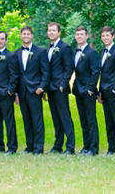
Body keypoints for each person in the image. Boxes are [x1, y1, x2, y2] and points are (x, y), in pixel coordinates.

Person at [9, 26, 49, 154]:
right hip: (21, 92)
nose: (26, 36)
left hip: (35, 91)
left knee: (37, 120)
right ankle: (29, 146)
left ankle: (38, 148)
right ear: (20, 35)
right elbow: (14, 75)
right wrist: (15, 93)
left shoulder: (40, 52)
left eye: (28, 34)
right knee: (26, 120)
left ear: (32, 36)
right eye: (23, 34)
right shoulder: (16, 54)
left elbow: (45, 72)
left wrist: (41, 88)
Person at [46, 22, 75, 155]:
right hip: (50, 88)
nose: (51, 32)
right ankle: (58, 145)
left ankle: (70, 146)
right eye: (49, 30)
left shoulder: (65, 47)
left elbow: (69, 68)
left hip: (60, 88)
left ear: (59, 33)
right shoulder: (48, 48)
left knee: (65, 117)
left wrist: (63, 85)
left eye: (53, 30)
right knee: (56, 118)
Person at [97, 26, 115, 156]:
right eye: (103, 36)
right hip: (105, 92)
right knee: (109, 121)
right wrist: (100, 92)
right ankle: (112, 147)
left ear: (113, 36)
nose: (105, 38)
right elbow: (102, 74)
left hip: (114, 93)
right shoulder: (103, 52)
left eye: (107, 35)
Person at [72, 26, 100, 156]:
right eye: (77, 34)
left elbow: (95, 72)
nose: (79, 36)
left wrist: (91, 88)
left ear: (87, 36)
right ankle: (86, 146)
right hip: (78, 90)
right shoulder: (75, 52)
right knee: (83, 120)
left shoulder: (91, 52)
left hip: (88, 91)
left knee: (91, 119)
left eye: (82, 34)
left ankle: (93, 148)